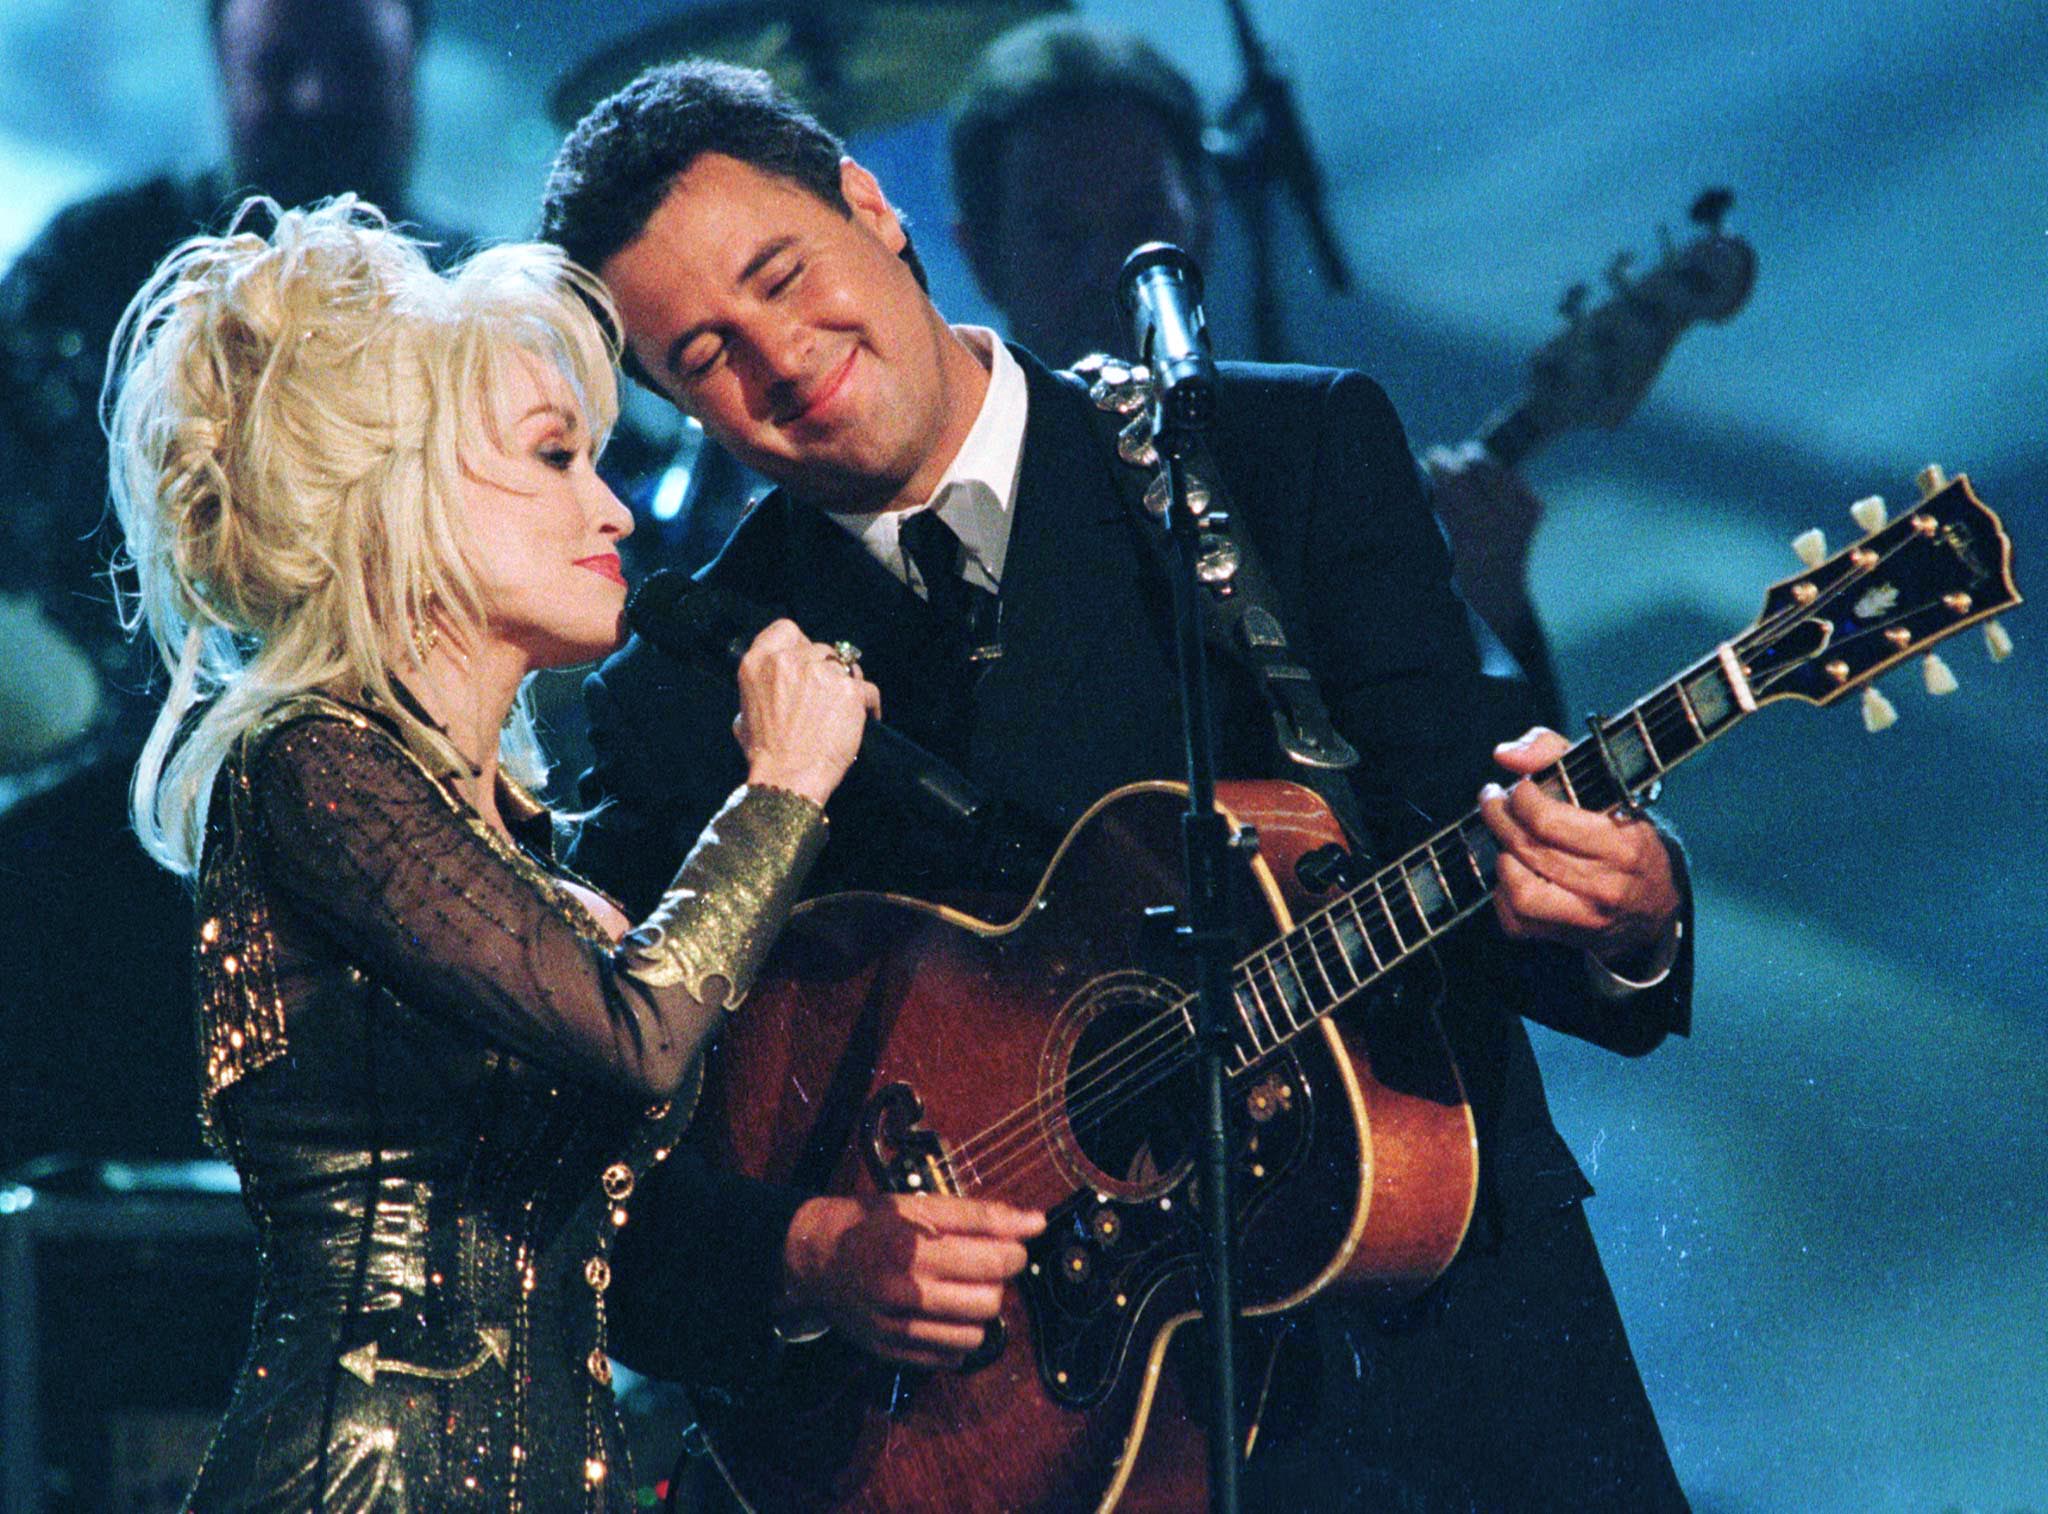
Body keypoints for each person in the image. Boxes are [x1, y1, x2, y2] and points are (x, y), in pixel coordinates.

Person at [540, 60, 1691, 1510]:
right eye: (705, 351)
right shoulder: (685, 693)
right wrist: (810, 1255)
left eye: (781, 273)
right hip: (1033, 1447)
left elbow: (1469, 842)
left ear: (872, 207)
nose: (779, 355)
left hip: (1445, 1366)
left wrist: (1629, 909)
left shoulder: (1281, 456)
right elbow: (600, 1178)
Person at [102, 195, 878, 1510]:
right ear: (404, 491)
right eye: (554, 456)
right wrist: (785, 786)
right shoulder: (309, 767)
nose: (614, 509)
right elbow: (639, 1033)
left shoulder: (506, 846)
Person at [0, 0, 463, 1171]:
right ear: (222, 67)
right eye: (279, 68)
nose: (315, 100)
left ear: (410, 65)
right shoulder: (90, 271)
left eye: (348, 67)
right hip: (120, 822)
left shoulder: (467, 301)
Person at [945, 16, 1565, 730]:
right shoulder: (959, 528)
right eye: (1057, 232)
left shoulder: (1312, 456)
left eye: (1143, 218)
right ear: (982, 256)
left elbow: (1503, 779)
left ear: (1204, 215)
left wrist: (1485, 615)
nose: (1109, 267)